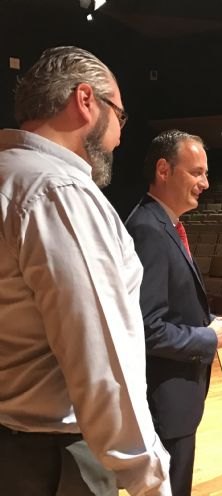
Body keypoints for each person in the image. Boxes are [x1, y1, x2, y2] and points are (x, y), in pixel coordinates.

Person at [0, 46, 171, 495]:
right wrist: (150, 480)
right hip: (49, 461)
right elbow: (101, 354)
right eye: (119, 115)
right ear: (85, 100)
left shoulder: (8, 176)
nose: (118, 136)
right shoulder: (57, 191)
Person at [124, 129, 222, 496]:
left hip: (175, 397)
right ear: (164, 169)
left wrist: (206, 323)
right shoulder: (149, 231)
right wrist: (207, 337)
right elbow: (147, 327)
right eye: (197, 172)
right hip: (164, 401)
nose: (206, 183)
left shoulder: (164, 224)